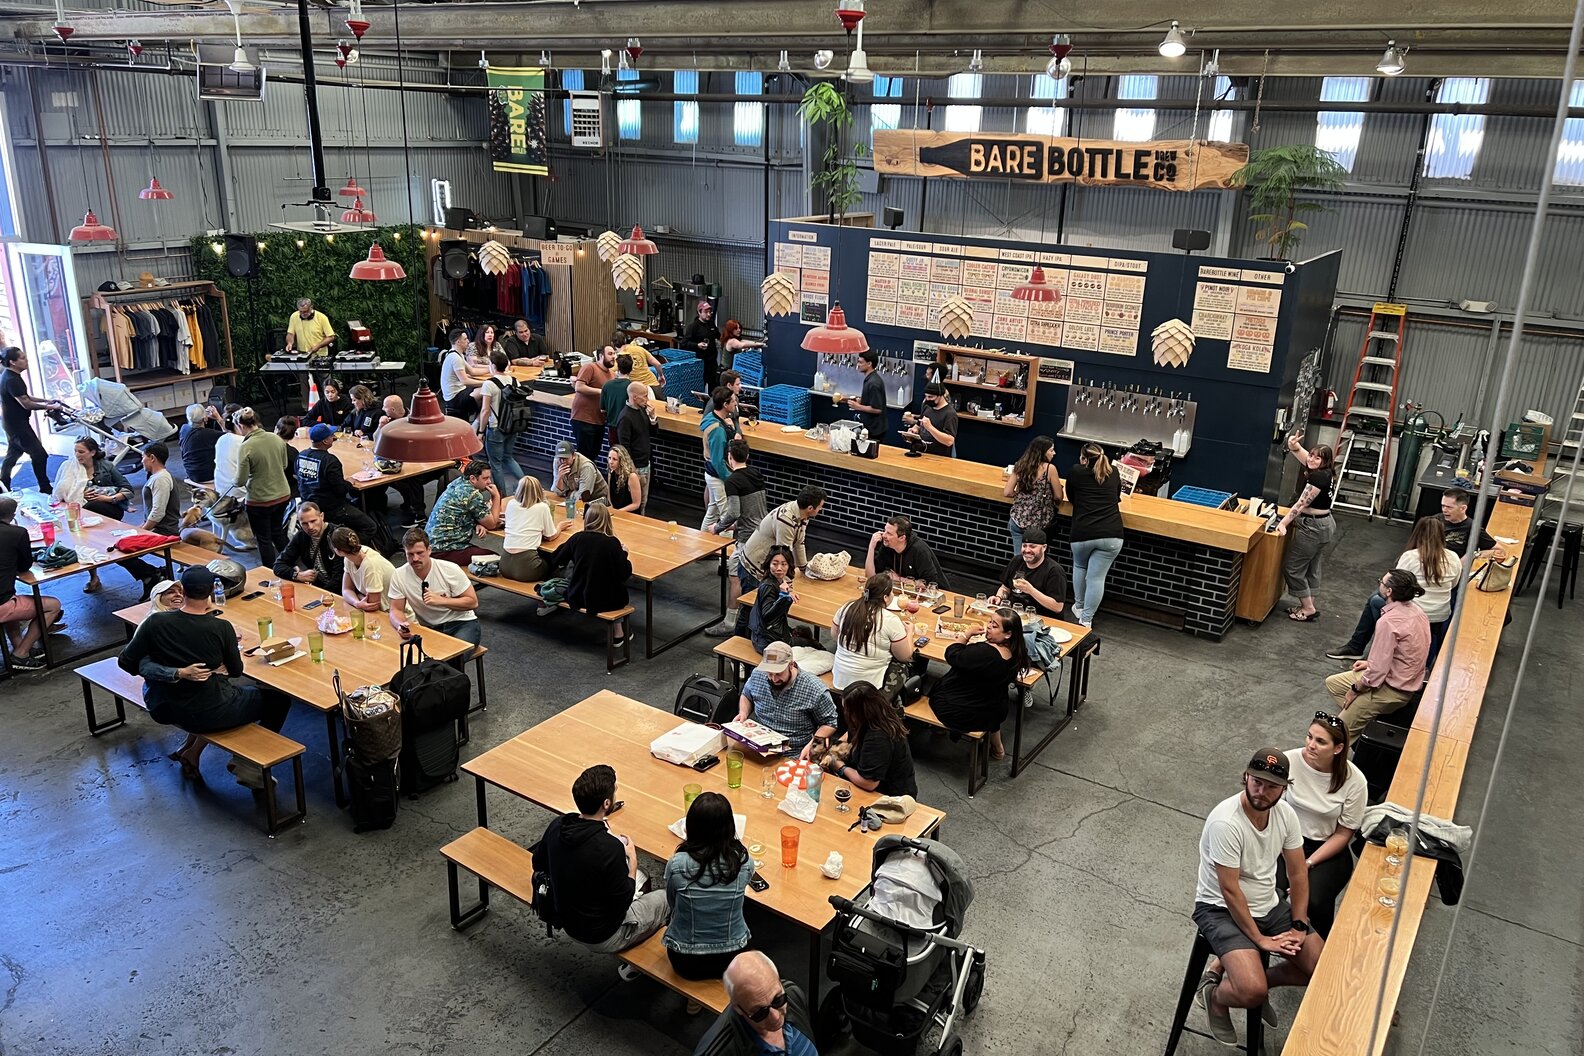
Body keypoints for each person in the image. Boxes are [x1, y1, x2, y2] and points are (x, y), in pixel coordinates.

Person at [117, 564, 292, 787]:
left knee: (216, 695)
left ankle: (191, 750)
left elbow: (126, 662)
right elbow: (236, 671)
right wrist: (188, 671)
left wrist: (170, 671)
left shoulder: (154, 622)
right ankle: (249, 763)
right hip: (208, 713)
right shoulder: (221, 628)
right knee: (278, 701)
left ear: (183, 591)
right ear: (211, 591)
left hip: (163, 708)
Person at [1192, 748, 1322, 1047]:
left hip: (1268, 903)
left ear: (1284, 788)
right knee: (1251, 991)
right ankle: (1216, 997)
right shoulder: (1226, 822)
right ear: (1246, 777)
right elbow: (1230, 890)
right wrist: (1260, 939)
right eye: (1256, 782)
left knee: (1322, 972)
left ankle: (1264, 980)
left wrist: (1299, 924)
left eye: (1271, 786)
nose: (1261, 792)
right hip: (1220, 909)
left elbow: (1297, 873)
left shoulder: (1285, 815)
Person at [531, 764, 669, 956]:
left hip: (567, 919)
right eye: (615, 792)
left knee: (643, 876)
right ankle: (650, 959)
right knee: (668, 897)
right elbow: (622, 901)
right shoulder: (609, 848)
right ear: (606, 803)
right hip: (602, 935)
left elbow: (538, 863)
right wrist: (632, 860)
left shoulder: (559, 825)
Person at [1327, 516, 1460, 666]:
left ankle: (1358, 646)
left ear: (1417, 534)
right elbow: (1454, 584)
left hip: (1413, 613)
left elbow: (1396, 583)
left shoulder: (1411, 557)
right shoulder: (1454, 557)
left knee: (1374, 599)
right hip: (1439, 615)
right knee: (1376, 598)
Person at [1281, 713, 1367, 938]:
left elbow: (1343, 834)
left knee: (1315, 900)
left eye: (1320, 741)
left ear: (1338, 748)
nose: (1311, 744)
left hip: (1326, 848)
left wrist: (1307, 864)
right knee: (1267, 892)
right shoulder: (1288, 761)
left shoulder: (1355, 780)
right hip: (1285, 842)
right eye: (1309, 736)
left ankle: (1319, 951)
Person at [1328, 569, 1431, 740]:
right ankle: (1360, 719)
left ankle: (1354, 727)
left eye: (1381, 582)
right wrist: (1370, 664)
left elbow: (1376, 673)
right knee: (1333, 684)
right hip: (1403, 679)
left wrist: (1356, 689)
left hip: (1391, 689)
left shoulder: (1388, 622)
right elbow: (1405, 653)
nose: (1379, 585)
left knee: (1337, 734)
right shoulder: (1418, 612)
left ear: (1389, 591)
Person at [663, 791, 754, 981]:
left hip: (685, 960)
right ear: (730, 827)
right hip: (732, 958)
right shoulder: (744, 862)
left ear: (691, 827)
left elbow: (672, 903)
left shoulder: (677, 864)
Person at [927, 607, 1029, 762]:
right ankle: (998, 748)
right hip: (994, 709)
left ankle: (938, 729)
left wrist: (966, 634)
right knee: (983, 690)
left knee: (937, 689)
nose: (989, 626)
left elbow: (952, 655)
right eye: (990, 622)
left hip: (965, 712)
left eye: (995, 626)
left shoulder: (984, 652)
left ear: (1008, 634)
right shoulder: (1017, 651)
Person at [693, 951, 817, 1056]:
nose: (775, 1017)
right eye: (760, 1013)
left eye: (777, 1000)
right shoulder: (719, 1050)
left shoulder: (792, 993)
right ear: (738, 1008)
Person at [706, 439, 769, 639]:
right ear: (747, 456)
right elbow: (754, 508)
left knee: (735, 577)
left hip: (747, 539)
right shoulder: (756, 474)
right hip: (762, 532)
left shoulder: (732, 481)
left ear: (729, 457)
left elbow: (734, 512)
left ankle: (731, 622)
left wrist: (717, 527)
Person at [1273, 433, 1336, 622]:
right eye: (1312, 455)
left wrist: (1283, 523)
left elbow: (1301, 504)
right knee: (1312, 567)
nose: (1311, 459)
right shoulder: (1325, 471)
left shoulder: (1318, 478)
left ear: (1325, 461)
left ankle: (1308, 608)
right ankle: (1307, 605)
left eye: (1317, 458)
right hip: (1324, 524)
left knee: (1292, 568)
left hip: (1313, 528)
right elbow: (1305, 457)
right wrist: (1293, 445)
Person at [388, 527, 481, 652]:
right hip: (429, 628)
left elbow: (473, 602)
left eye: (420, 553)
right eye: (410, 554)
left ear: (429, 550)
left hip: (461, 623)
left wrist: (442, 601)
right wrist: (400, 624)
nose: (415, 558)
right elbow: (396, 609)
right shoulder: (399, 575)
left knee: (454, 657)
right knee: (412, 656)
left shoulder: (450, 569)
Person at [736, 641, 838, 755]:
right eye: (770, 673)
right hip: (759, 742)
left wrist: (813, 744)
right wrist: (743, 712)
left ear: (791, 665)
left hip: (794, 751)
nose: (774, 679)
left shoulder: (814, 688)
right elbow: (746, 695)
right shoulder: (758, 674)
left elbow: (830, 722)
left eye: (778, 673)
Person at [545, 504, 631, 636]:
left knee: (574, 569)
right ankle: (619, 634)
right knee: (611, 579)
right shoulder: (613, 543)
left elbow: (556, 558)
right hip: (608, 600)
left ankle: (544, 604)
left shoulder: (577, 538)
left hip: (578, 595)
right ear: (607, 520)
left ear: (587, 519)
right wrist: (624, 553)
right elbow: (624, 574)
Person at [0, 496, 63, 670]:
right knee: (53, 605)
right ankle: (20, 654)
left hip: (4, 600)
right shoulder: (17, 533)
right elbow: (24, 566)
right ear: (13, 515)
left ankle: (20, 646)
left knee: (12, 598)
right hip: (2, 605)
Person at [1067, 442, 1124, 628]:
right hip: (1112, 533)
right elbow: (1116, 497)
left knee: (1080, 566)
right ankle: (1086, 620)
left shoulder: (1076, 471)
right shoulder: (1114, 472)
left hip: (1082, 532)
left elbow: (1071, 497)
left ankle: (1079, 607)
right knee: (1096, 578)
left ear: (1083, 458)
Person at [830, 572, 915, 696]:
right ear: (885, 597)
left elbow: (834, 635)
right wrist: (910, 632)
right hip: (869, 686)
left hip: (840, 678)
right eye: (892, 592)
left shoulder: (847, 607)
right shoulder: (890, 620)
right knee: (901, 666)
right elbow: (905, 656)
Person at [118, 442, 183, 598]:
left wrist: (141, 531)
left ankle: (151, 575)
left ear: (152, 458)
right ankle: (150, 574)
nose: (142, 461)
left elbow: (157, 513)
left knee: (119, 550)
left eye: (143, 457)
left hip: (163, 532)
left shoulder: (161, 479)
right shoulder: (157, 477)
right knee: (119, 545)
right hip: (157, 529)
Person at [831, 683, 918, 797]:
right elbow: (849, 734)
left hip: (888, 796)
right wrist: (834, 750)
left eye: (847, 710)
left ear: (859, 713)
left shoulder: (878, 737)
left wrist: (840, 766)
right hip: (870, 780)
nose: (845, 712)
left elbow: (869, 783)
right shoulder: (875, 717)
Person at [232, 408, 293, 568]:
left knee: (263, 539)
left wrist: (233, 481)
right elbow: (284, 465)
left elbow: (240, 480)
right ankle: (291, 563)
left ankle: (270, 570)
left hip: (260, 500)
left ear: (240, 425)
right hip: (282, 494)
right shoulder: (276, 439)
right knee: (277, 531)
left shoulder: (246, 447)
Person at [72, 438, 134, 595]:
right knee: (88, 540)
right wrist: (80, 494)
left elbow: (128, 490)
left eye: (81, 452)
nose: (77, 455)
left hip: (109, 508)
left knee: (89, 512)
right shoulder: (72, 468)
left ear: (92, 452)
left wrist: (107, 498)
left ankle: (94, 577)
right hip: (86, 512)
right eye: (75, 451)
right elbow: (66, 491)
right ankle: (94, 576)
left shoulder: (106, 466)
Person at [295, 424, 378, 539]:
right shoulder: (330, 461)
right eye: (330, 436)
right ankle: (344, 546)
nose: (333, 437)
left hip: (309, 505)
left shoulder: (301, 456)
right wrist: (349, 483)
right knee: (370, 527)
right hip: (332, 508)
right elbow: (340, 490)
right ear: (325, 441)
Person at [1, 346, 63, 493]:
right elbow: (26, 404)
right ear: (13, 362)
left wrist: (47, 401)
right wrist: (50, 407)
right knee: (39, 454)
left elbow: (25, 397)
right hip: (17, 425)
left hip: (12, 423)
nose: (26, 360)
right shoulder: (12, 379)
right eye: (22, 358)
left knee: (13, 454)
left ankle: (3, 485)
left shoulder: (10, 376)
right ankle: (45, 487)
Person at [740, 488, 824, 589]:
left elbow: (799, 543)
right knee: (755, 598)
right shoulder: (785, 520)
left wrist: (804, 569)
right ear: (810, 508)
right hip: (754, 566)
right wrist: (787, 585)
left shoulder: (802, 513)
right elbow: (783, 554)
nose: (821, 509)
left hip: (768, 564)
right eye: (820, 507)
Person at [425, 459, 503, 565]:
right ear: (473, 478)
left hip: (431, 545)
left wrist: (476, 523)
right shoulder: (472, 494)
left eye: (489, 477)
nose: (489, 482)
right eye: (485, 478)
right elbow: (492, 524)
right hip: (445, 550)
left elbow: (462, 511)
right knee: (495, 559)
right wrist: (496, 496)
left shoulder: (457, 482)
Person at [500, 476, 574, 583]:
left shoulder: (511, 504)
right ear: (539, 490)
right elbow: (550, 536)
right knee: (552, 562)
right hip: (527, 567)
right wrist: (560, 527)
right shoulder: (542, 507)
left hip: (504, 564)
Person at [476, 350, 527, 498]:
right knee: (508, 457)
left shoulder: (489, 384)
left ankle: (501, 496)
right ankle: (527, 485)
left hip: (495, 428)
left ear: (493, 365)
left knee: (496, 464)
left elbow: (485, 410)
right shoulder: (515, 381)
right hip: (512, 425)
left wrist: (480, 432)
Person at [1005, 435, 1064, 552]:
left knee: (1019, 557)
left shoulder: (1020, 465)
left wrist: (1021, 495)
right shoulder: (1050, 469)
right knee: (1034, 558)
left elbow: (1007, 492)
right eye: (1051, 450)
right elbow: (1058, 496)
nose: (1054, 453)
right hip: (1039, 524)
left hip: (1017, 519)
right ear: (1042, 452)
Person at [992, 528, 1067, 618]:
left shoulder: (1054, 571)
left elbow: (1057, 607)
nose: (1027, 550)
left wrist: (1031, 590)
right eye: (1024, 546)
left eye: (1032, 546)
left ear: (1044, 548)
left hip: (1041, 619)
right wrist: (999, 597)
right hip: (1015, 615)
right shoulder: (1016, 561)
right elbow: (1005, 588)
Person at [271, 502, 343, 592]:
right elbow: (278, 565)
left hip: (339, 591)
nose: (310, 527)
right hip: (319, 588)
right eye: (304, 523)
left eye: (313, 521)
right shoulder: (301, 536)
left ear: (322, 516)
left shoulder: (336, 536)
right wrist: (297, 575)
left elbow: (339, 579)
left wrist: (320, 595)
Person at [865, 515, 949, 590]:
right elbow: (871, 577)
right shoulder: (887, 545)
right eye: (884, 530)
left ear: (902, 538)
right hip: (903, 591)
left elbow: (931, 585)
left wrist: (899, 579)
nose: (883, 535)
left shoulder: (919, 551)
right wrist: (871, 546)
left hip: (935, 594)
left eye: (889, 533)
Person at [747, 545, 802, 654]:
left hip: (770, 633)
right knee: (810, 644)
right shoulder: (768, 586)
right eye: (775, 564)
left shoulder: (777, 582)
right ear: (769, 564)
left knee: (804, 632)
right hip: (766, 640)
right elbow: (768, 615)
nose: (779, 568)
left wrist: (787, 593)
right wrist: (783, 596)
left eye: (784, 564)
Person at [699, 386, 737, 534]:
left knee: (712, 511)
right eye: (733, 401)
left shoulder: (712, 418)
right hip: (717, 475)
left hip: (711, 472)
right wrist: (729, 478)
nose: (736, 403)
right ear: (725, 405)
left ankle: (701, 540)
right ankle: (726, 547)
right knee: (726, 516)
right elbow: (717, 460)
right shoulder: (718, 430)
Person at [615, 382, 658, 511]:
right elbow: (624, 448)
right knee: (635, 503)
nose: (647, 399)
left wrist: (653, 417)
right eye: (644, 396)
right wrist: (632, 470)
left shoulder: (642, 410)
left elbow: (653, 433)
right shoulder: (625, 418)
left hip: (645, 464)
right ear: (634, 397)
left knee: (643, 502)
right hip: (635, 468)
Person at [570, 344, 617, 461]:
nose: (613, 357)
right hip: (583, 419)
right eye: (610, 354)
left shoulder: (612, 375)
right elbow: (579, 387)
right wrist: (601, 391)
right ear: (601, 356)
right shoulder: (590, 368)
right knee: (584, 455)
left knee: (594, 453)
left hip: (599, 421)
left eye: (614, 354)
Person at [334, 526, 395, 612]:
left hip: (391, 612)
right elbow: (346, 590)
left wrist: (358, 596)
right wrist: (356, 603)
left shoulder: (370, 565)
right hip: (382, 610)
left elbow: (373, 606)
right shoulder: (348, 559)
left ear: (338, 551)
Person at [1438, 487, 1503, 562]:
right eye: (1443, 506)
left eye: (1449, 507)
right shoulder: (1435, 520)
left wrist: (1474, 555)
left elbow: (1500, 551)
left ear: (1463, 508)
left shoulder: (1473, 528)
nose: (1444, 510)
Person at [902, 382, 959, 457]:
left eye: (930, 397)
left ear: (940, 396)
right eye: (926, 396)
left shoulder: (950, 414)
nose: (927, 399)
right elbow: (918, 425)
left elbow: (949, 441)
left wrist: (930, 427)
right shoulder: (927, 406)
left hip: (939, 457)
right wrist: (913, 430)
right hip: (922, 453)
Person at [549, 440, 611, 508]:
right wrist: (559, 478)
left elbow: (583, 496)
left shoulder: (586, 466)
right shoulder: (557, 462)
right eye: (560, 458)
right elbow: (557, 492)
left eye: (566, 458)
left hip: (598, 501)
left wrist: (569, 494)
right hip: (576, 502)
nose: (563, 461)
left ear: (574, 456)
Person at [845, 348, 889, 443]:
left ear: (869, 364)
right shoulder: (870, 379)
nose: (858, 365)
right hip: (870, 427)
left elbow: (877, 409)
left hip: (875, 429)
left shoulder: (873, 383)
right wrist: (861, 401)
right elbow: (871, 400)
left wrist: (858, 406)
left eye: (861, 362)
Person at [439, 328, 482, 420]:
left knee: (485, 389)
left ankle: (478, 420)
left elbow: (472, 371)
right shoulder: (455, 358)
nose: (468, 341)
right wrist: (486, 382)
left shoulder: (457, 354)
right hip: (454, 398)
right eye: (465, 339)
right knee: (487, 390)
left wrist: (491, 369)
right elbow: (465, 381)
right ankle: (478, 422)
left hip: (459, 392)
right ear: (458, 342)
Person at [601, 353, 640, 447]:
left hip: (612, 427)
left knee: (615, 453)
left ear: (618, 368)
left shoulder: (607, 385)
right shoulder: (632, 388)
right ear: (631, 369)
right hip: (628, 428)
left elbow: (602, 410)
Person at [178, 403, 222, 485]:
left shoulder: (184, 429)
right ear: (205, 418)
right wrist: (218, 418)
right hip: (208, 476)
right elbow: (231, 436)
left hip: (191, 473)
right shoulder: (210, 434)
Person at [683, 299, 722, 391]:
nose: (709, 314)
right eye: (706, 312)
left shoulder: (711, 324)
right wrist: (697, 345)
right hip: (700, 363)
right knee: (700, 387)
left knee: (715, 387)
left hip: (712, 362)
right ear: (699, 312)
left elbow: (718, 336)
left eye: (710, 312)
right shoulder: (693, 327)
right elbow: (684, 343)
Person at [606, 445, 644, 514]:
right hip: (616, 512)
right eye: (609, 458)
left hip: (630, 514)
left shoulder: (632, 476)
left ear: (621, 461)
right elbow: (609, 498)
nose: (611, 462)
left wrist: (618, 512)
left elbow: (636, 504)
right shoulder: (611, 473)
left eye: (614, 459)